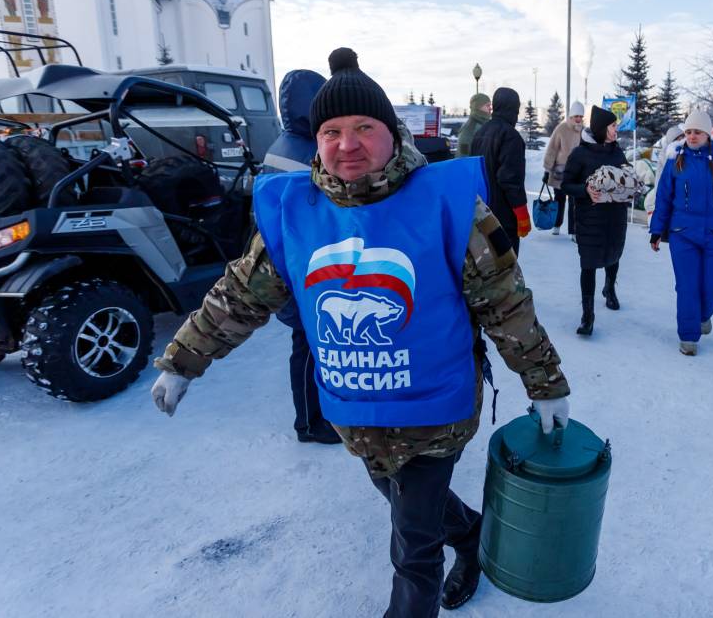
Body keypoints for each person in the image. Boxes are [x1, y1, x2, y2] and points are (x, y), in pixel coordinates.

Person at [150, 48, 571, 617]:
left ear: (392, 134)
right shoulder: (295, 212)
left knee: (413, 550)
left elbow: (505, 304)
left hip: (434, 412)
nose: (347, 144)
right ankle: (470, 533)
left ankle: (448, 565)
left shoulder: (448, 206)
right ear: (316, 139)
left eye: (363, 128)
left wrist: (545, 384)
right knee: (404, 502)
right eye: (332, 131)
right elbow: (240, 296)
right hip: (356, 412)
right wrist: (182, 361)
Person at [260, 68, 340, 444]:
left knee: (307, 344)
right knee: (308, 348)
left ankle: (315, 416)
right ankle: (309, 423)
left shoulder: (282, 143)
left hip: (285, 263)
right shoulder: (311, 152)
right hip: (299, 270)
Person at [649, 109, 713, 356]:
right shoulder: (677, 160)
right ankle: (688, 337)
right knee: (687, 286)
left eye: (697, 132)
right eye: (688, 132)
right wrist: (656, 231)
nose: (692, 136)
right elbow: (663, 198)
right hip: (682, 232)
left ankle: (703, 316)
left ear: (707, 133)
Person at [561, 105, 629, 336]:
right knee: (588, 264)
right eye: (612, 126)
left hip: (615, 215)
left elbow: (625, 176)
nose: (616, 129)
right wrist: (585, 190)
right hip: (589, 217)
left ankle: (609, 288)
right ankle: (587, 315)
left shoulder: (617, 151)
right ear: (601, 129)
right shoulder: (580, 154)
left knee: (614, 254)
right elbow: (566, 184)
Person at [470, 87, 530, 254]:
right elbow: (510, 179)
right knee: (506, 265)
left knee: (487, 265)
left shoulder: (481, 132)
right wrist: (521, 212)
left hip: (482, 212)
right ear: (514, 109)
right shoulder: (511, 136)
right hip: (503, 217)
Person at [542, 101, 584, 236]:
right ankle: (557, 224)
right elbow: (552, 149)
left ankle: (573, 231)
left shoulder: (584, 132)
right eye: (576, 115)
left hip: (577, 173)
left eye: (580, 116)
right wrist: (547, 170)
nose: (578, 119)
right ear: (571, 116)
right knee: (559, 199)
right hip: (560, 171)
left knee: (574, 202)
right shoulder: (561, 129)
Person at [456, 93, 490, 158]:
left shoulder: (484, 124)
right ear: (478, 106)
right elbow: (463, 155)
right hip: (474, 166)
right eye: (487, 106)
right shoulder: (469, 128)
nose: (490, 108)